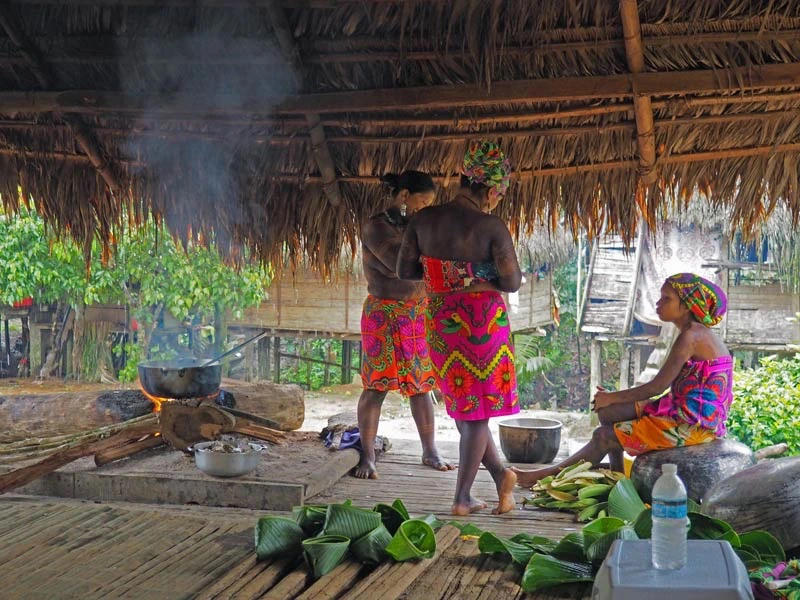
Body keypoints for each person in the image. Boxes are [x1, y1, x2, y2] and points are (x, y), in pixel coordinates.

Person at [513, 272, 733, 488]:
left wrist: (610, 396)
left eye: (667, 298)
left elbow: (657, 386)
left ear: (686, 306)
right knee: (609, 413)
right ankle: (617, 477)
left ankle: (544, 476)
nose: (658, 303)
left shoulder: (691, 337)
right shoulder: (696, 333)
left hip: (692, 423)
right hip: (679, 409)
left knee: (603, 436)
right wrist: (611, 402)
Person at [397, 141, 521, 516]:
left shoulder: (422, 220)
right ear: (492, 188)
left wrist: (445, 274)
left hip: (440, 318)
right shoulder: (490, 226)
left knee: (465, 408)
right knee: (477, 412)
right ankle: (462, 497)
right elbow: (512, 281)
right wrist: (475, 274)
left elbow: (405, 271)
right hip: (482, 321)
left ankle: (501, 476)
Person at [355, 170, 455, 479]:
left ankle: (430, 450)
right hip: (383, 314)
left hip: (417, 314)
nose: (424, 207)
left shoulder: (416, 227)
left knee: (422, 386)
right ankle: (368, 456)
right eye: (422, 201)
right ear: (403, 196)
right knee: (376, 387)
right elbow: (401, 267)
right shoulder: (375, 227)